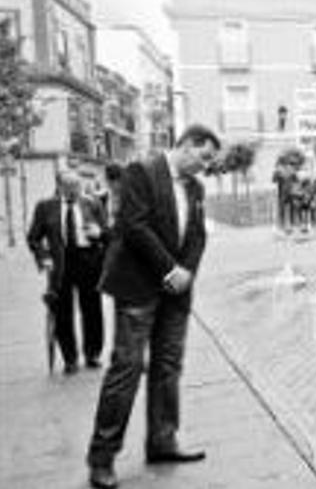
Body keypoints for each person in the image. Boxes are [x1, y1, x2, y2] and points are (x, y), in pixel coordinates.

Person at [86, 124, 221, 489]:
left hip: (176, 294)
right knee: (127, 369)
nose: (205, 166)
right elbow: (134, 226)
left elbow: (197, 234)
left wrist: (187, 273)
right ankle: (102, 458)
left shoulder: (195, 187)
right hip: (138, 287)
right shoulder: (141, 171)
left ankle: (162, 441)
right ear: (188, 145)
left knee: (168, 367)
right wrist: (170, 269)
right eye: (204, 157)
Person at [27, 171, 109, 374]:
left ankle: (92, 354)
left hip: (88, 261)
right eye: (70, 186)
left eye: (77, 185)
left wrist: (99, 236)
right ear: (60, 186)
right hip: (59, 264)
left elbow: (107, 232)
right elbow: (33, 237)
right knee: (63, 312)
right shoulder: (45, 207)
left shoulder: (93, 203)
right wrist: (44, 257)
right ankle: (70, 359)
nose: (74, 190)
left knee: (92, 310)